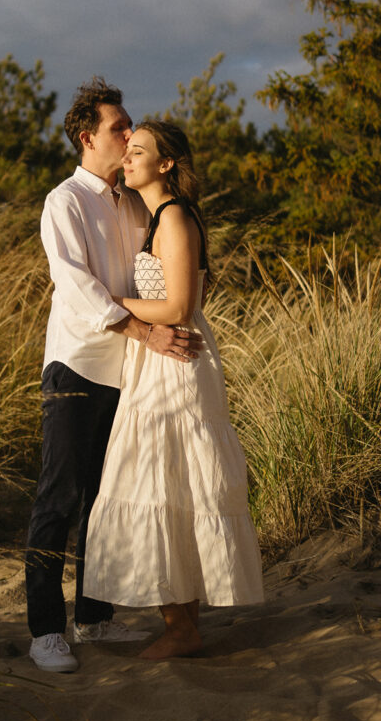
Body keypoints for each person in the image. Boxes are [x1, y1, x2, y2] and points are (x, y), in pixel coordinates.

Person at [25, 82, 203, 673]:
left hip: (131, 374)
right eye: (119, 128)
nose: (129, 136)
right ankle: (45, 630)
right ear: (87, 137)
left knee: (108, 497)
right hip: (77, 364)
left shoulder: (132, 201)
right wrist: (143, 330)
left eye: (132, 129)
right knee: (60, 497)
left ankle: (94, 617)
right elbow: (76, 286)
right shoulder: (64, 201)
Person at [84, 120, 264, 659]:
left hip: (178, 363)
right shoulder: (153, 217)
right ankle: (179, 623)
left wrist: (112, 303)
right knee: (162, 485)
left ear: (166, 164)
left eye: (139, 151)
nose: (128, 157)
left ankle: (183, 628)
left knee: (170, 483)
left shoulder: (176, 217)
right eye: (128, 149)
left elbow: (181, 308)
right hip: (156, 359)